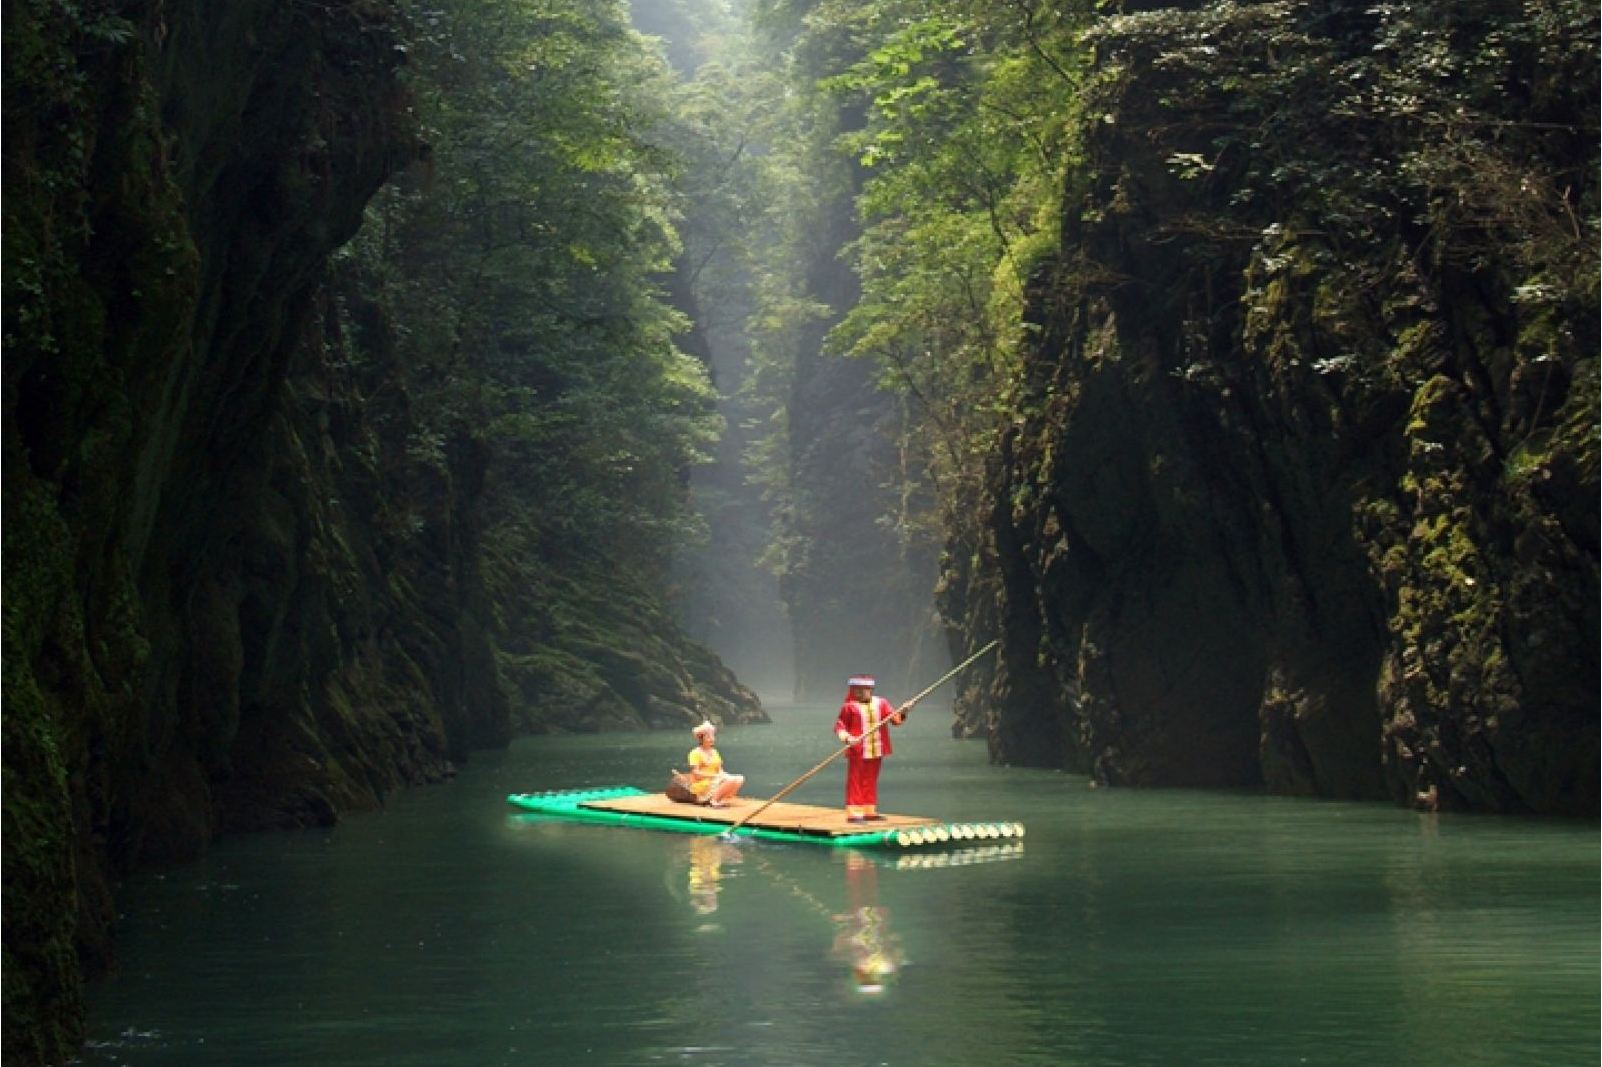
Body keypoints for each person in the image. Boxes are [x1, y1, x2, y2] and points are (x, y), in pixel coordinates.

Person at [834, 675, 914, 822]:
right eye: (856, 691)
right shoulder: (849, 707)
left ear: (869, 690)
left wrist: (904, 711)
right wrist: (848, 738)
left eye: (863, 690)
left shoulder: (881, 703)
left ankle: (869, 810)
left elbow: (895, 720)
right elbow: (840, 727)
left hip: (877, 748)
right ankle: (854, 812)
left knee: (871, 779)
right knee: (855, 780)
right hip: (857, 749)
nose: (859, 694)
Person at [687, 721, 744, 808]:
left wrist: (721, 775)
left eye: (713, 736)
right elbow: (696, 773)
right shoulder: (694, 753)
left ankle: (721, 798)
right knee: (730, 780)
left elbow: (720, 769)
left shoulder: (715, 752)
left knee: (740, 779)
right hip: (704, 783)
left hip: (715, 779)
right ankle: (713, 800)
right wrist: (715, 776)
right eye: (708, 737)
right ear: (701, 739)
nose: (712, 739)